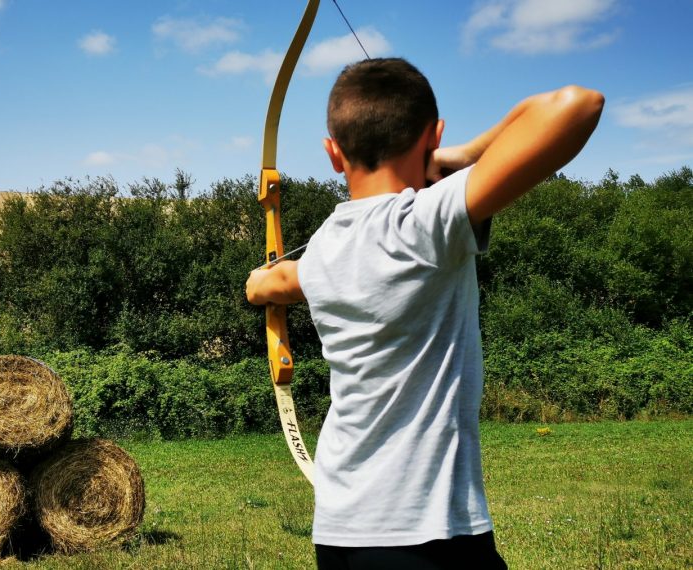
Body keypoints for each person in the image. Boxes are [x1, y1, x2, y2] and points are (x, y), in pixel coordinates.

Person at [246, 57, 604, 569]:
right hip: (427, 533)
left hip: (339, 533)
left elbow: (276, 281)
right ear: (432, 136)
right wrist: (450, 155)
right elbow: (578, 104)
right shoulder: (421, 225)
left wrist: (256, 287)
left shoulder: (325, 246)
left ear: (333, 154)